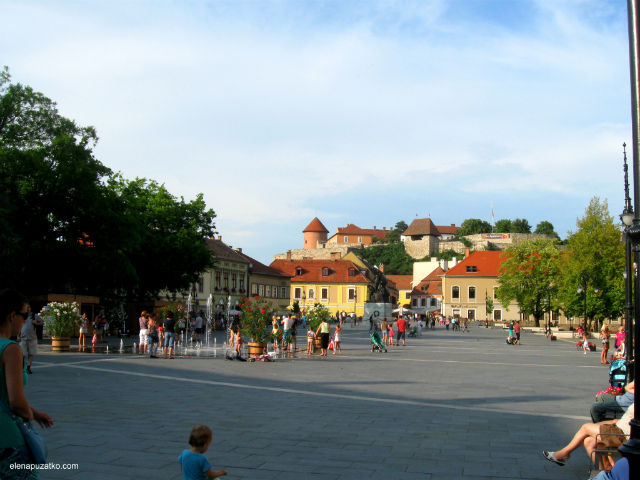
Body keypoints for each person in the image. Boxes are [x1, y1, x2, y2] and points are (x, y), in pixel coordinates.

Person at [0, 289, 54, 479]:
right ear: (12, 316)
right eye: (25, 315)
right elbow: (15, 402)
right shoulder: (10, 349)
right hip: (7, 439)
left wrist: (35, 411)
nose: (26, 320)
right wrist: (29, 414)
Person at [543, 403, 634, 467]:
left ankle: (564, 453)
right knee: (589, 441)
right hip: (618, 429)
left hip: (623, 434)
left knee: (586, 428)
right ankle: (605, 470)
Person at [18, 306, 43, 374]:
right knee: (22, 354)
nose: (28, 308)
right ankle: (23, 366)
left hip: (32, 338)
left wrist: (36, 323)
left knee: (31, 353)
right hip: (23, 338)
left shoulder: (35, 316)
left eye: (29, 307)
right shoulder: (22, 316)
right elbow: (17, 326)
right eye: (26, 307)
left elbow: (42, 322)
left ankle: (28, 367)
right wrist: (18, 336)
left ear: (31, 308)